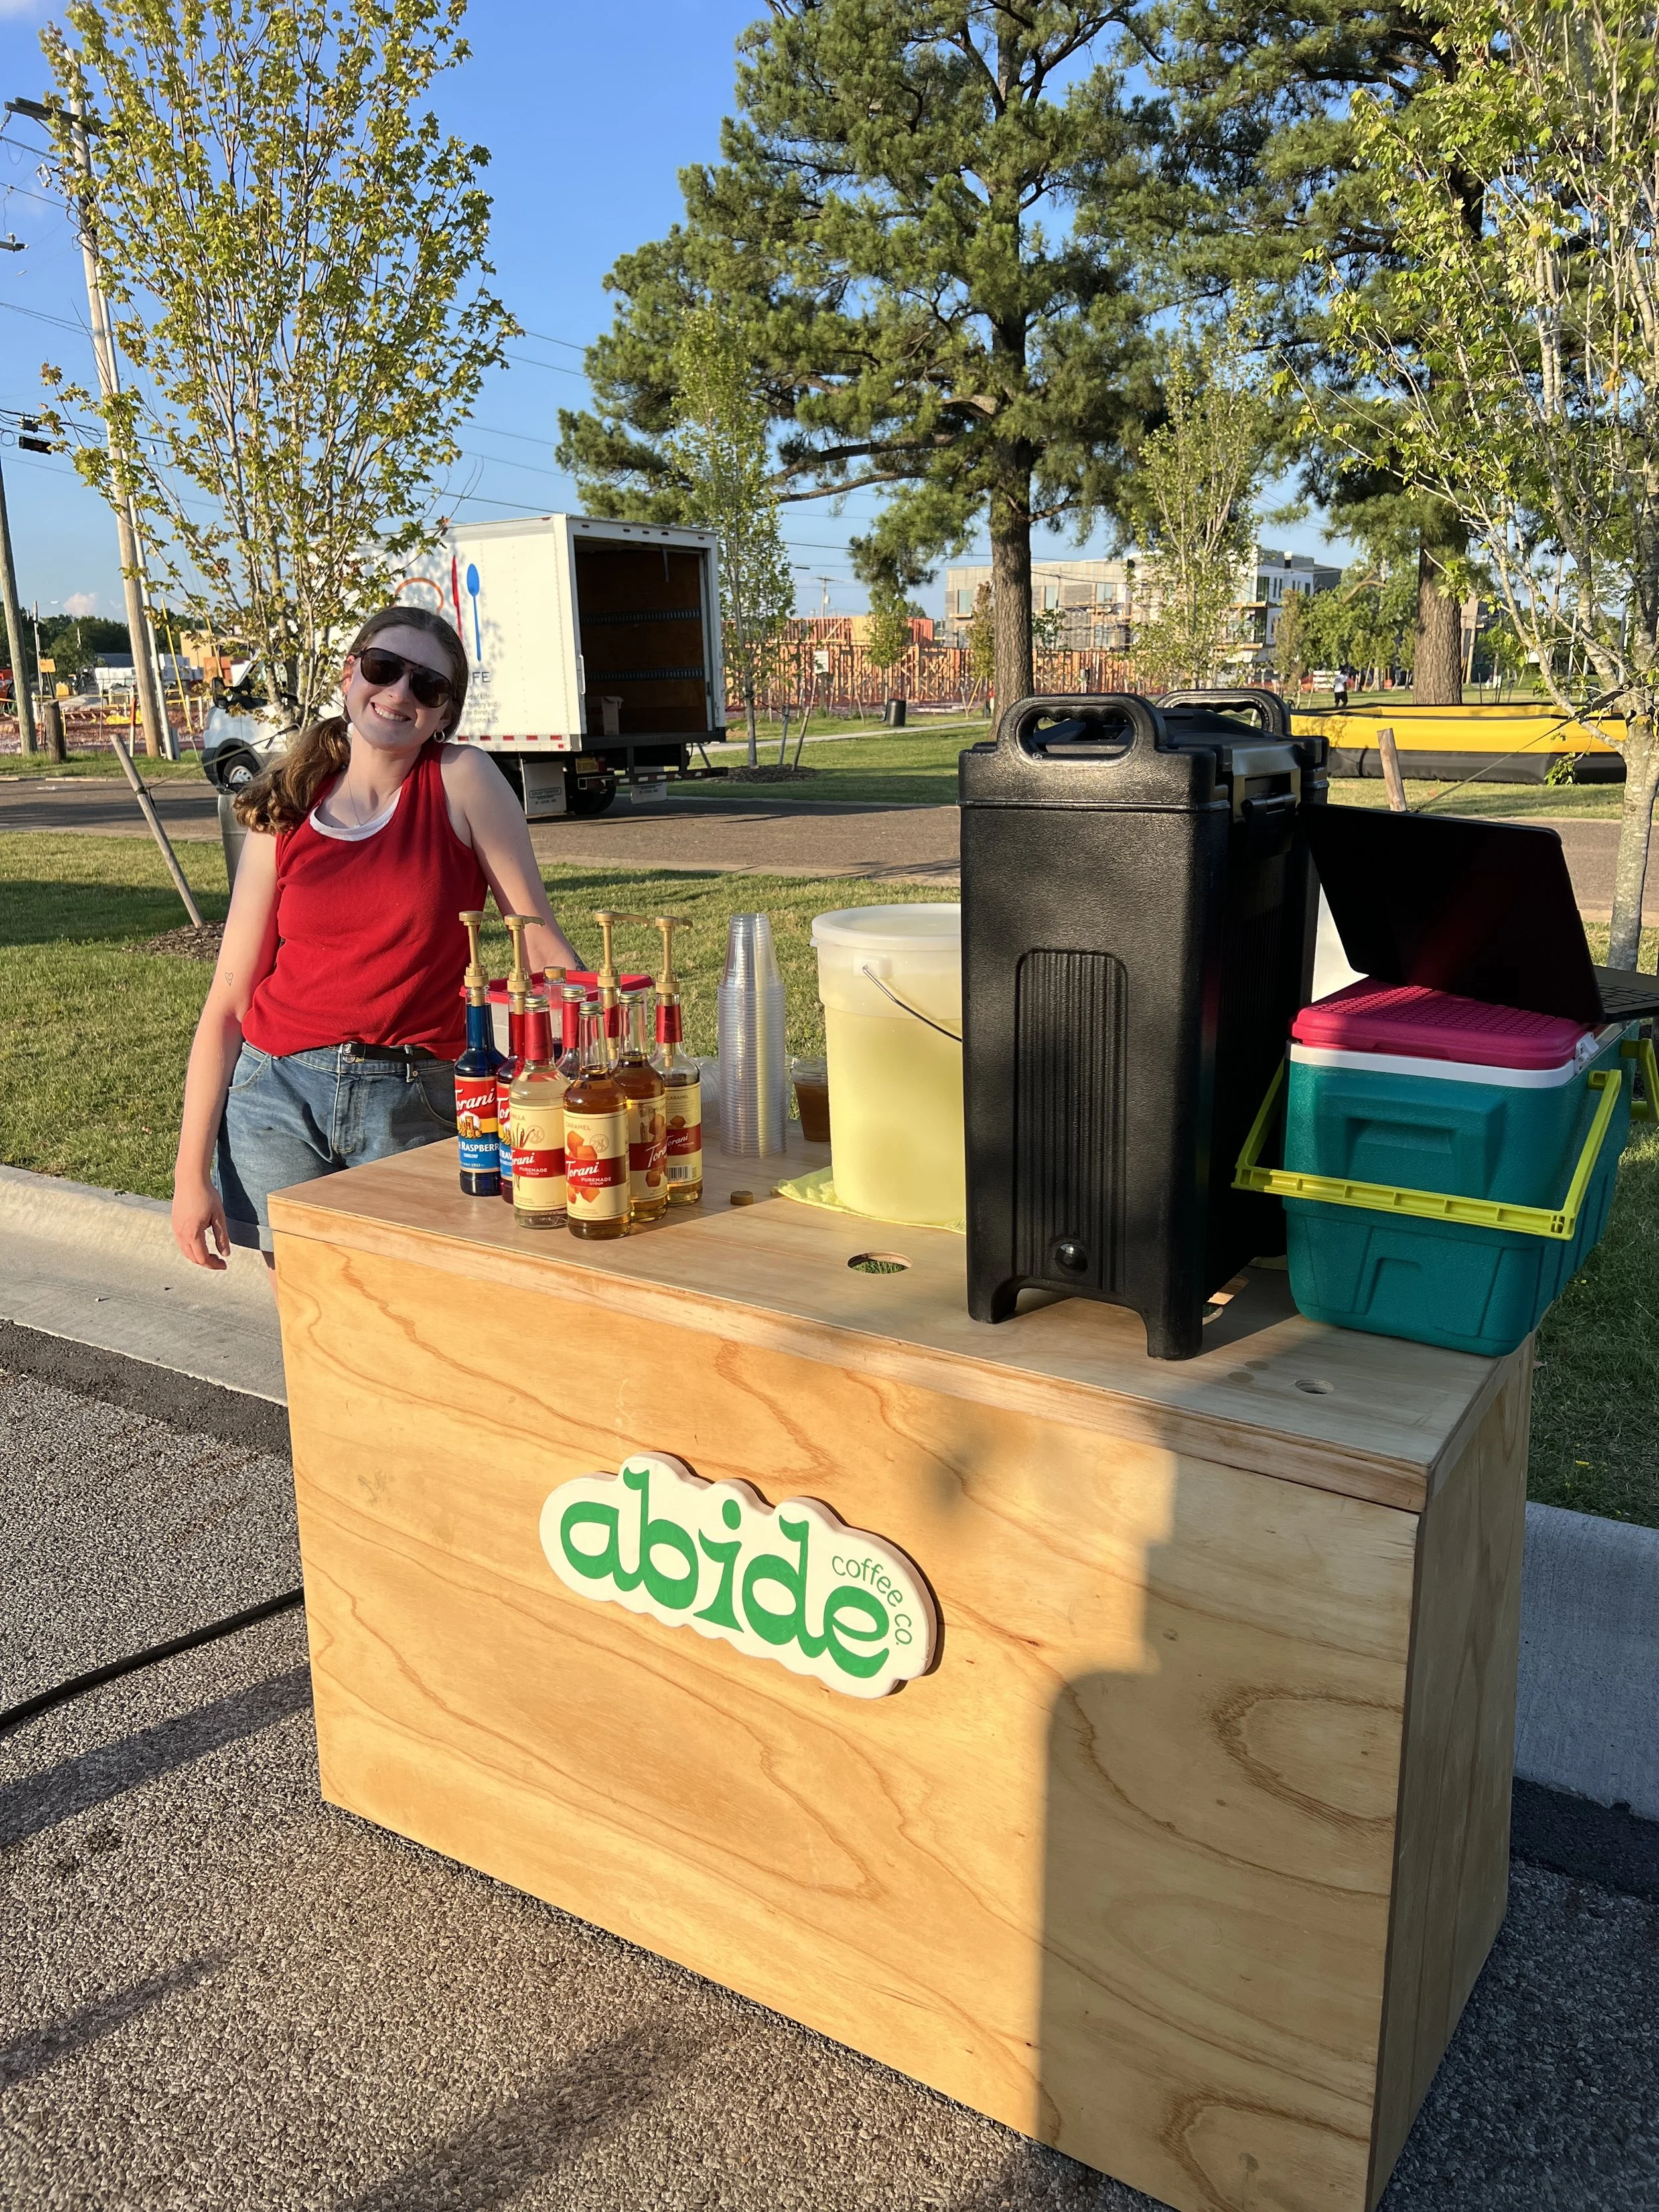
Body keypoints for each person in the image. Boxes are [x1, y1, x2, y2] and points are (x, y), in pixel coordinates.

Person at [171, 605, 580, 1270]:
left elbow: (538, 944)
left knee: (413, 1306)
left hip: (416, 1098)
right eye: (384, 668)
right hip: (276, 1095)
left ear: (444, 714)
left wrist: (597, 1058)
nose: (399, 692)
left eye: (427, 685)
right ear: (349, 675)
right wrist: (190, 1176)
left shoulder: (462, 779)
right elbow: (229, 1002)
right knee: (307, 1314)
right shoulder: (288, 804)